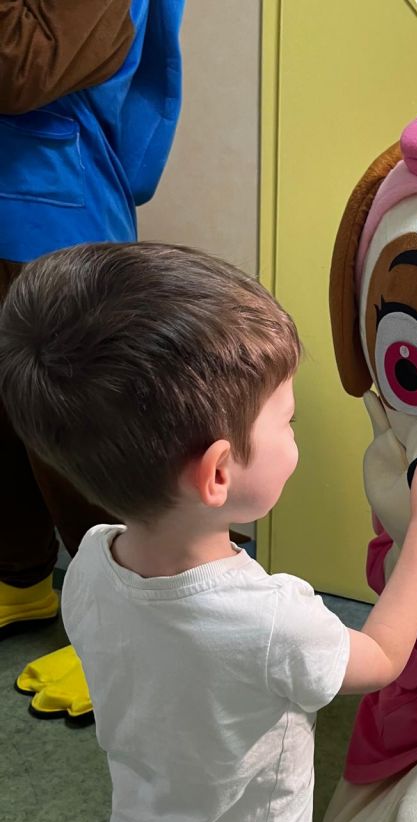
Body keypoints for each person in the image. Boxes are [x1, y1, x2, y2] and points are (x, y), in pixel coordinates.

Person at [0, 241, 417, 822]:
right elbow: (382, 656)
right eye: (288, 421)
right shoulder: (271, 622)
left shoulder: (89, 560)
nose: (297, 437)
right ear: (220, 473)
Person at [0, 0, 185, 721]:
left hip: (56, 196)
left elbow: (25, 64)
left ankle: (132, 632)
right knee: (9, 411)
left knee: (82, 420)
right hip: (24, 182)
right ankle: (21, 577)